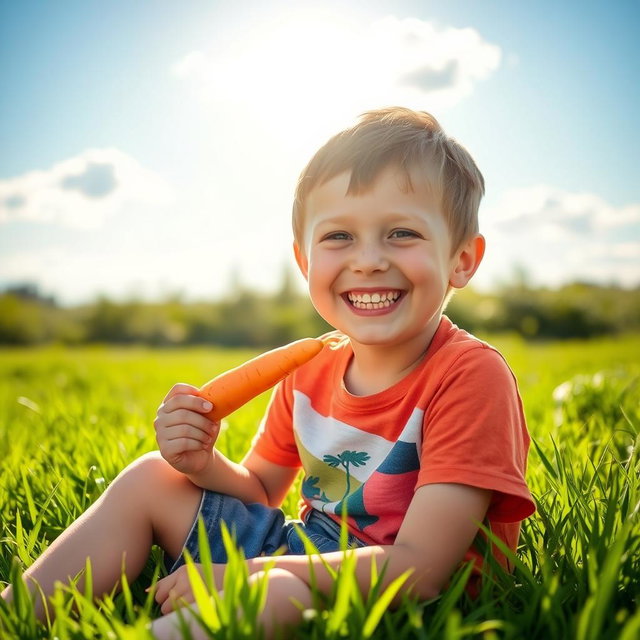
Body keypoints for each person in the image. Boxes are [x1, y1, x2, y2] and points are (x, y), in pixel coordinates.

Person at [1, 107, 536, 639]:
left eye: (401, 233)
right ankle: (13, 616)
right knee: (151, 477)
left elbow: (421, 569)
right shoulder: (309, 367)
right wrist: (202, 463)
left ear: (462, 259)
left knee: (276, 590)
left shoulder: (469, 374)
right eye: (338, 237)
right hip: (310, 549)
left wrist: (247, 573)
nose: (368, 260)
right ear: (304, 261)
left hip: (412, 592)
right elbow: (259, 489)